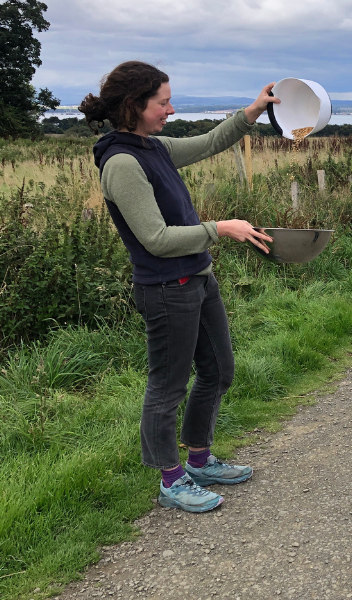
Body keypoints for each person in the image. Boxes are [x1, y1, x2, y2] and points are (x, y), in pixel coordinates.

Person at [80, 61, 279, 512]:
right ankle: (171, 481)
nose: (171, 109)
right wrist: (219, 228)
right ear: (135, 106)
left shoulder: (152, 146)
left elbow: (209, 142)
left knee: (218, 371)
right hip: (166, 289)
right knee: (167, 388)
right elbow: (155, 239)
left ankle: (200, 460)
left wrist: (252, 111)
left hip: (198, 279)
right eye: (163, 102)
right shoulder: (123, 162)